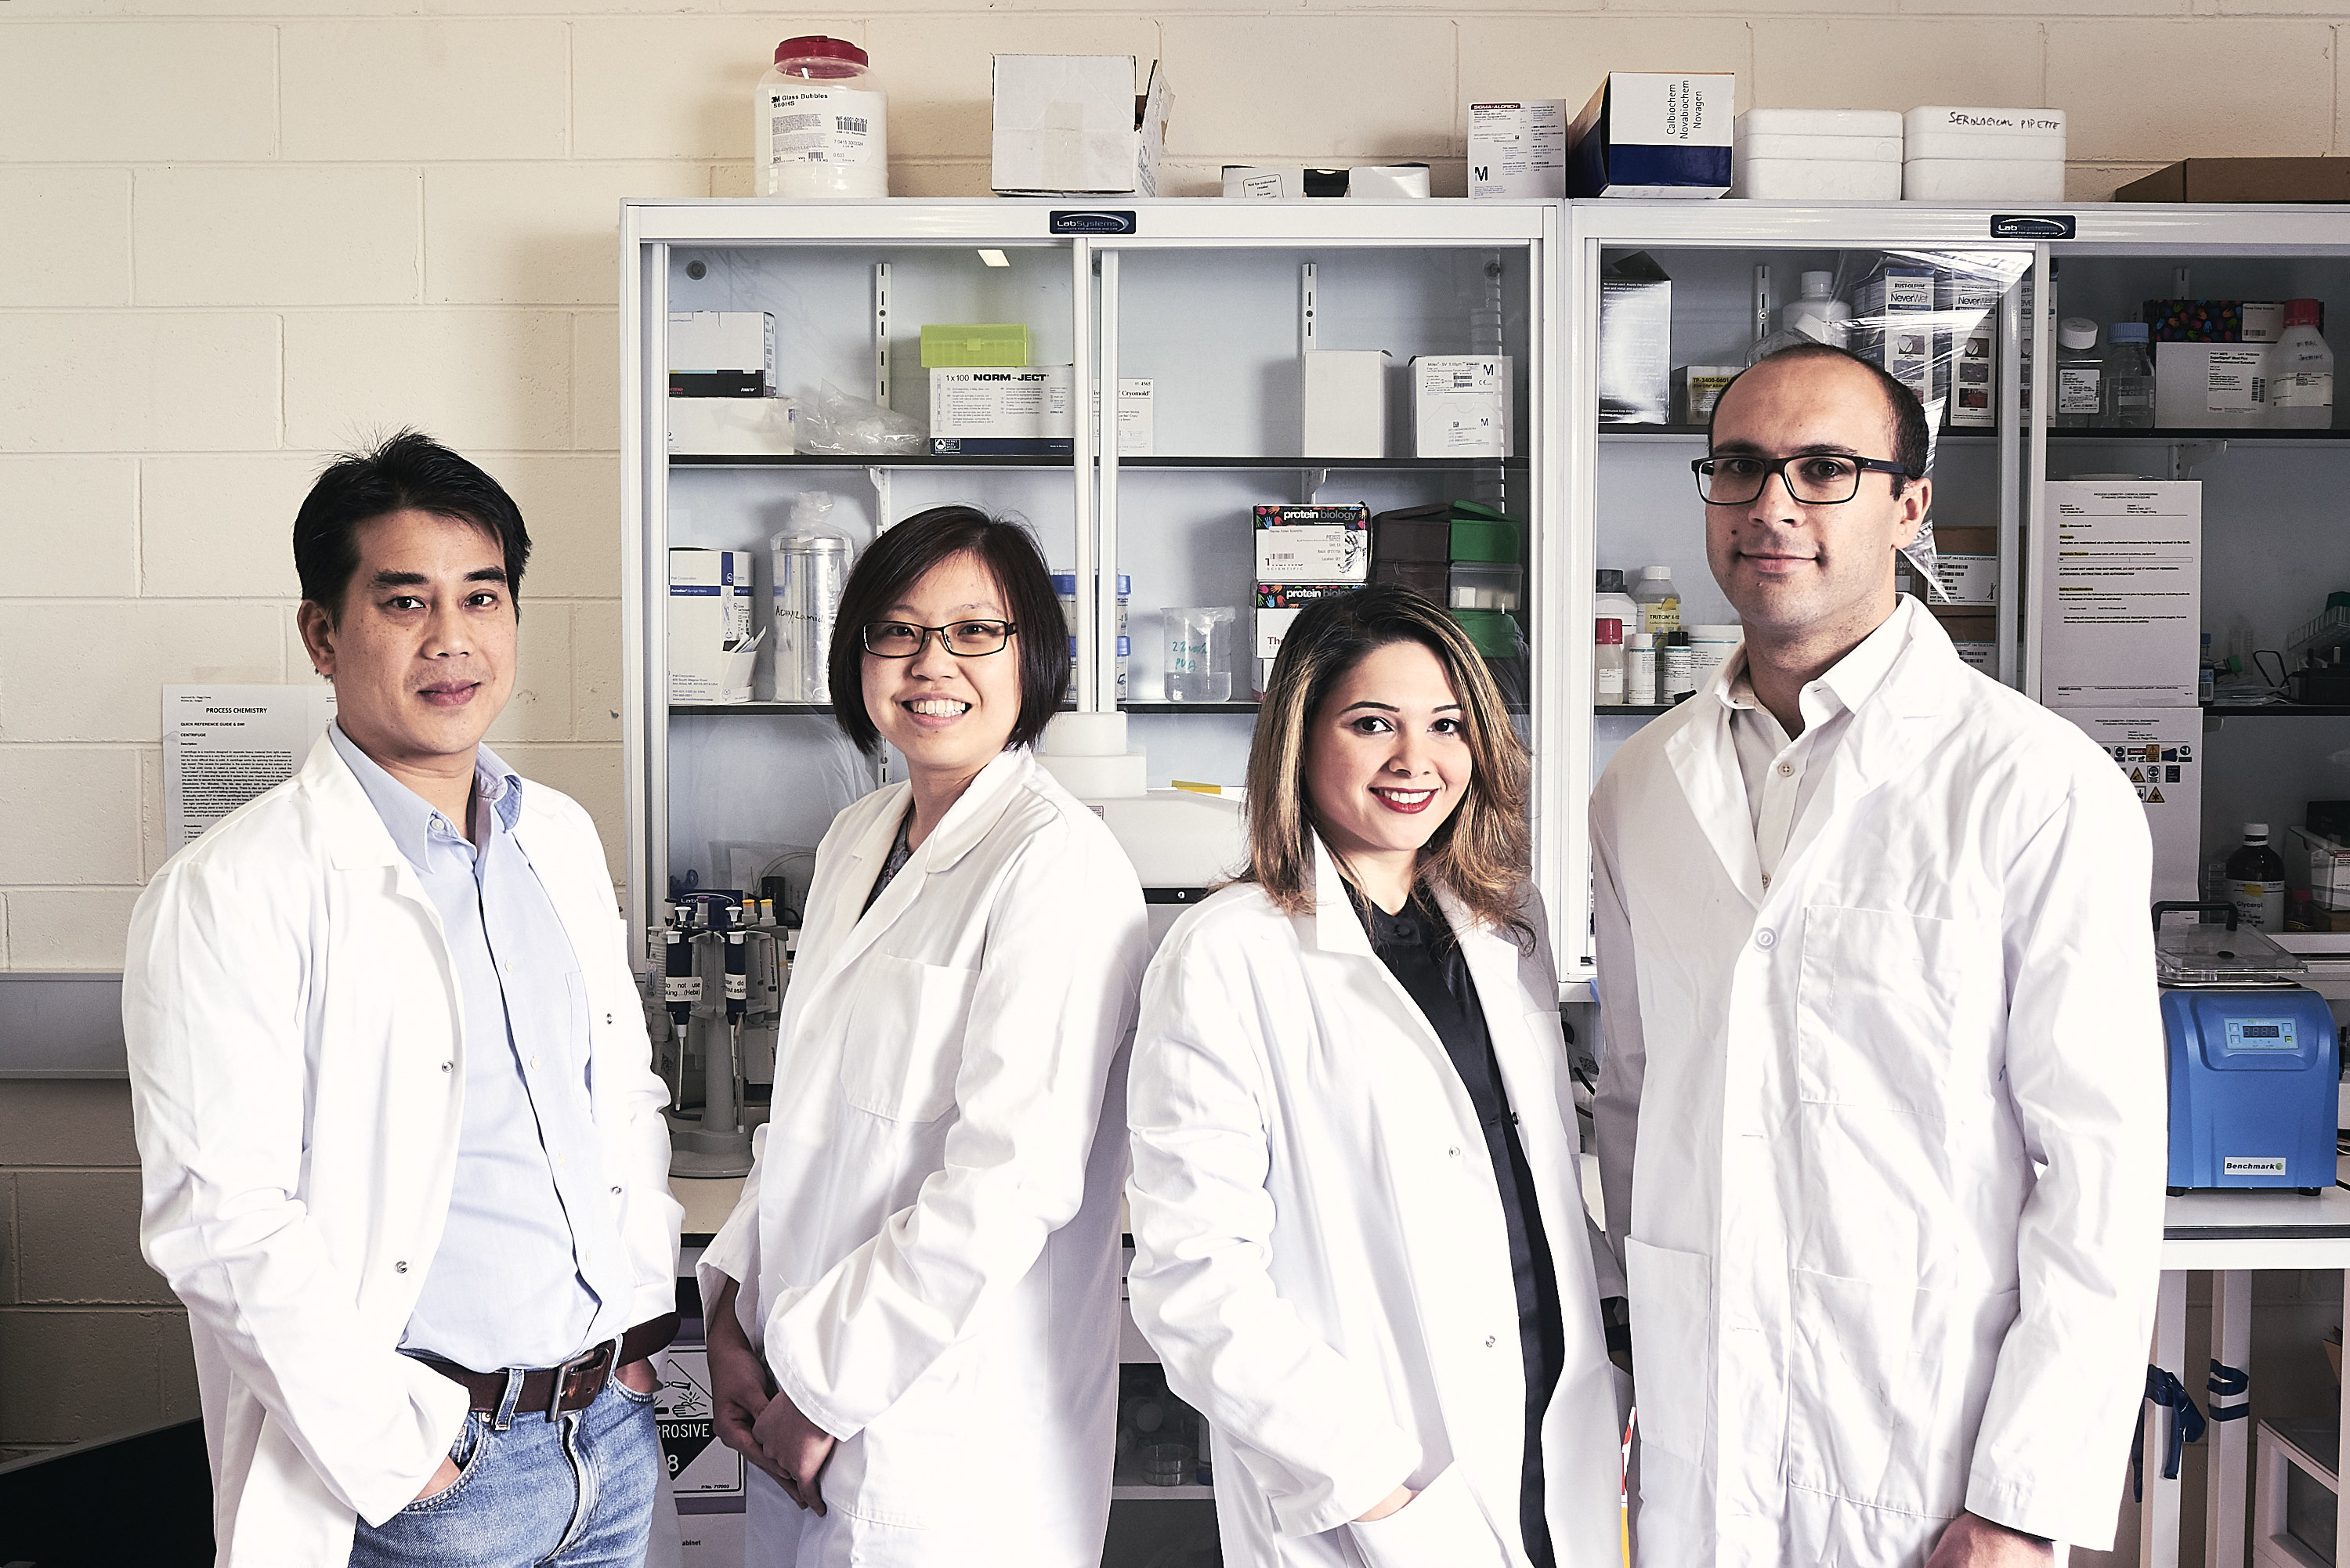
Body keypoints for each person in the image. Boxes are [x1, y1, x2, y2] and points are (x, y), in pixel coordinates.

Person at [1589, 342, 2165, 1566]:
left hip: (1927, 1448)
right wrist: (1645, 1361)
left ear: (1910, 507)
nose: (1772, 505)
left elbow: (2099, 1172)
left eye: (1824, 469)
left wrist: (2023, 1499)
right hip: (1701, 1441)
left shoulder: (2036, 783)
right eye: (1740, 468)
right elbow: (1639, 1099)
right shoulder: (1640, 784)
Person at [123, 432, 683, 1567]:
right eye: (405, 601)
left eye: (482, 596)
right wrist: (401, 1459)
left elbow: (619, 1099)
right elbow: (218, 1218)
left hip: (606, 1441)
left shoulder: (558, 837)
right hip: (423, 1478)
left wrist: (635, 1348)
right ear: (322, 634)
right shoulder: (230, 888)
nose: (452, 639)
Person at [1126, 586, 1620, 1568]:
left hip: (1556, 1436)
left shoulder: (1504, 921)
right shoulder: (1228, 952)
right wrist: (1377, 1492)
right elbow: (1192, 1277)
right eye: (1372, 723)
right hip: (1378, 1484)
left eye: (1446, 725)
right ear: (1300, 740)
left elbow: (1533, 1189)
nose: (1415, 760)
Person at [696, 505, 1149, 1566]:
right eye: (896, 631)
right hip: (796, 1396)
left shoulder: (1060, 867)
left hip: (950, 1450)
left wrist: (820, 1389)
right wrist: (729, 1320)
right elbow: (803, 1124)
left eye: (975, 631)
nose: (931, 662)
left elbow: (1008, 1183)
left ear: (1033, 655)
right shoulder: (860, 837)